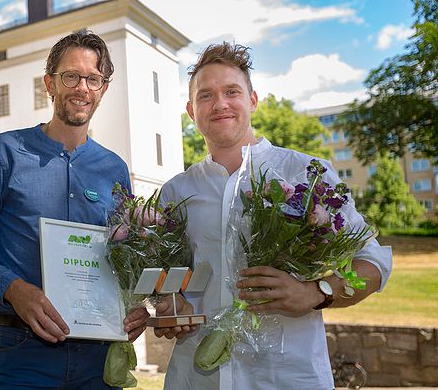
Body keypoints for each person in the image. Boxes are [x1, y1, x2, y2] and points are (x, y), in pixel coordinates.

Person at [153, 42, 392, 389]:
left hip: (287, 376)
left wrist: (318, 291)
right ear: (191, 110)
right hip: (196, 376)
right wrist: (168, 301)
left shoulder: (307, 175)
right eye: (206, 96)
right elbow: (166, 274)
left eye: (231, 91)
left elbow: (372, 261)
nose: (220, 103)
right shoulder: (176, 191)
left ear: (252, 100)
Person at [0, 29, 149, 390]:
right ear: (50, 83)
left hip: (99, 358)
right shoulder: (3, 152)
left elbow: (125, 257)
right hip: (22, 353)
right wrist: (13, 288)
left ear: (103, 89)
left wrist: (132, 307)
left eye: (93, 79)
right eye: (71, 76)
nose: (82, 88)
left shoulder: (114, 169)